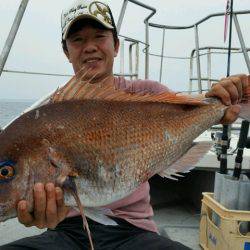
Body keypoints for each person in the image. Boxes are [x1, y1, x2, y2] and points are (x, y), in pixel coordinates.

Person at [1, 0, 249, 249]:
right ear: (66, 51)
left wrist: (225, 97)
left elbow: (196, 107)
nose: (89, 47)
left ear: (116, 45)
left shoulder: (147, 94)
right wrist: (41, 216)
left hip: (134, 231)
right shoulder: (44, 115)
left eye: (99, 36)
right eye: (77, 40)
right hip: (67, 232)